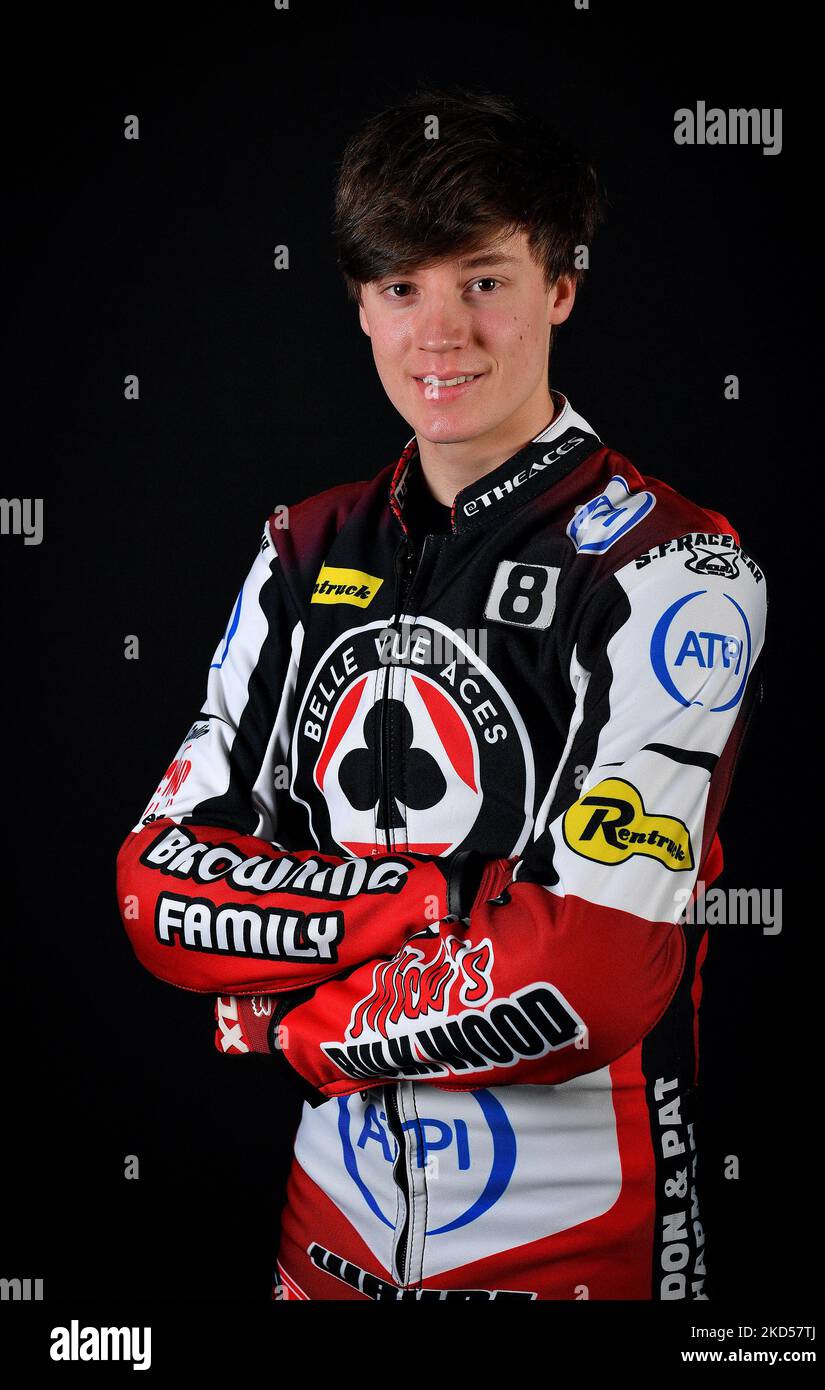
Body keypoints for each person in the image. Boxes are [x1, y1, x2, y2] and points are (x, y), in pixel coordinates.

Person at [116, 86, 767, 1300]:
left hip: (585, 1246)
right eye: (400, 286)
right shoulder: (301, 548)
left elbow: (593, 971)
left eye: (482, 279)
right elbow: (158, 885)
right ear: (359, 302)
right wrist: (439, 898)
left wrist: (300, 1026)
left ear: (558, 289)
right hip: (325, 1238)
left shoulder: (674, 570)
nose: (439, 334)